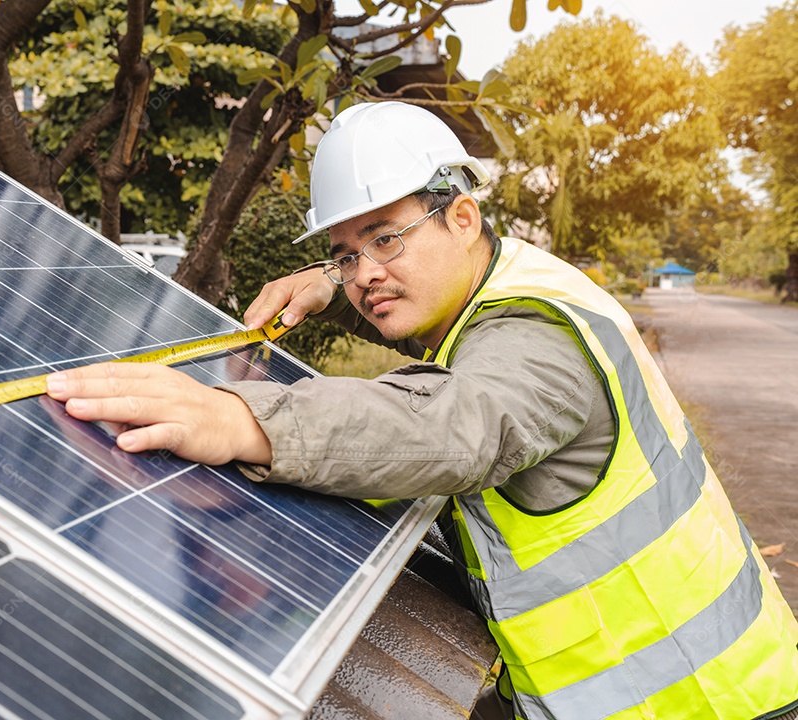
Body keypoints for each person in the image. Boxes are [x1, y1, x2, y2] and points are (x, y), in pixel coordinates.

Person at [46, 101, 798, 719]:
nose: (365, 274)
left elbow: (448, 426)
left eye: (385, 237)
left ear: (463, 218)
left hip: (713, 699)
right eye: (346, 252)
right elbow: (409, 310)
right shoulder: (496, 287)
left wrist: (245, 421)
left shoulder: (539, 339)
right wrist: (327, 280)